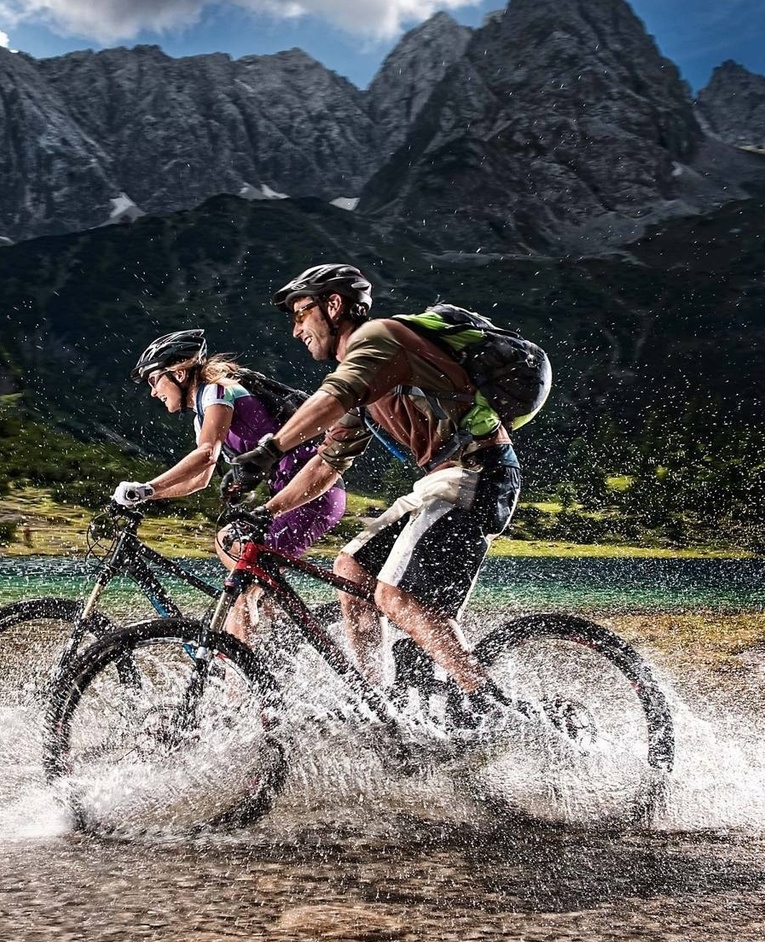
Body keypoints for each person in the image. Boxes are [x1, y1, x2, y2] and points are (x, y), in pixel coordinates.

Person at [222, 263, 523, 725]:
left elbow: (332, 397)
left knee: (394, 595)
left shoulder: (378, 338)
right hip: (442, 482)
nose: (296, 329)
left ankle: (490, 702)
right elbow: (326, 464)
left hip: (476, 474)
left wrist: (269, 450)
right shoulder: (365, 382)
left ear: (334, 305)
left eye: (301, 314)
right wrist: (267, 511)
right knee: (352, 570)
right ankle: (379, 702)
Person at [112, 328, 347, 642]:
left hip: (313, 492)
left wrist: (147, 487)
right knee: (243, 565)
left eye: (155, 380)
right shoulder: (202, 412)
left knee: (234, 559)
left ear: (179, 373)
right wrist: (146, 497)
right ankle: (273, 631)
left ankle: (243, 673)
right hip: (296, 496)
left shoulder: (218, 390)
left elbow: (206, 455)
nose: (154, 392)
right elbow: (200, 479)